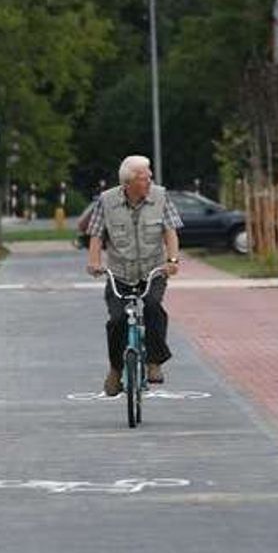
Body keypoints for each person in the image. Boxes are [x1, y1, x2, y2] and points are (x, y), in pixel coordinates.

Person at [85, 155, 182, 396]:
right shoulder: (107, 201)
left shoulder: (161, 197)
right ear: (128, 183)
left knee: (153, 306)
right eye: (144, 177)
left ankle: (154, 361)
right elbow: (96, 234)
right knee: (117, 320)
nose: (149, 181)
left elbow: (170, 231)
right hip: (120, 272)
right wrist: (94, 262)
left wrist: (172, 261)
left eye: (149, 176)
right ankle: (115, 370)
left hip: (153, 270)